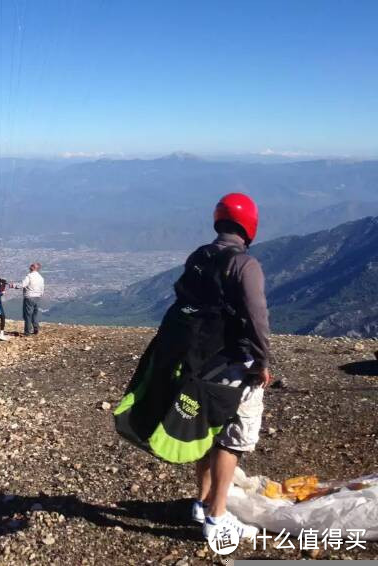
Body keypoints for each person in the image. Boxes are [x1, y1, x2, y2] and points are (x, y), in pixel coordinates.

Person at [114, 193, 270, 548]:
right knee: (232, 439)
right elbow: (258, 319)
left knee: (205, 428)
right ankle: (217, 516)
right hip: (231, 364)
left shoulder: (199, 256)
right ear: (250, 226)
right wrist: (262, 362)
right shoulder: (245, 266)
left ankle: (201, 503)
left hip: (194, 362)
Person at [16, 262, 45, 336]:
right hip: (37, 297)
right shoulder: (41, 277)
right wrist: (39, 295)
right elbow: (42, 288)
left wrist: (14, 285)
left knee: (27, 315)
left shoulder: (29, 276)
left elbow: (23, 284)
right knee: (34, 314)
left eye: (32, 265)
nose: (30, 266)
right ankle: (36, 329)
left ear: (34, 268)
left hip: (29, 297)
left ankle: (27, 332)